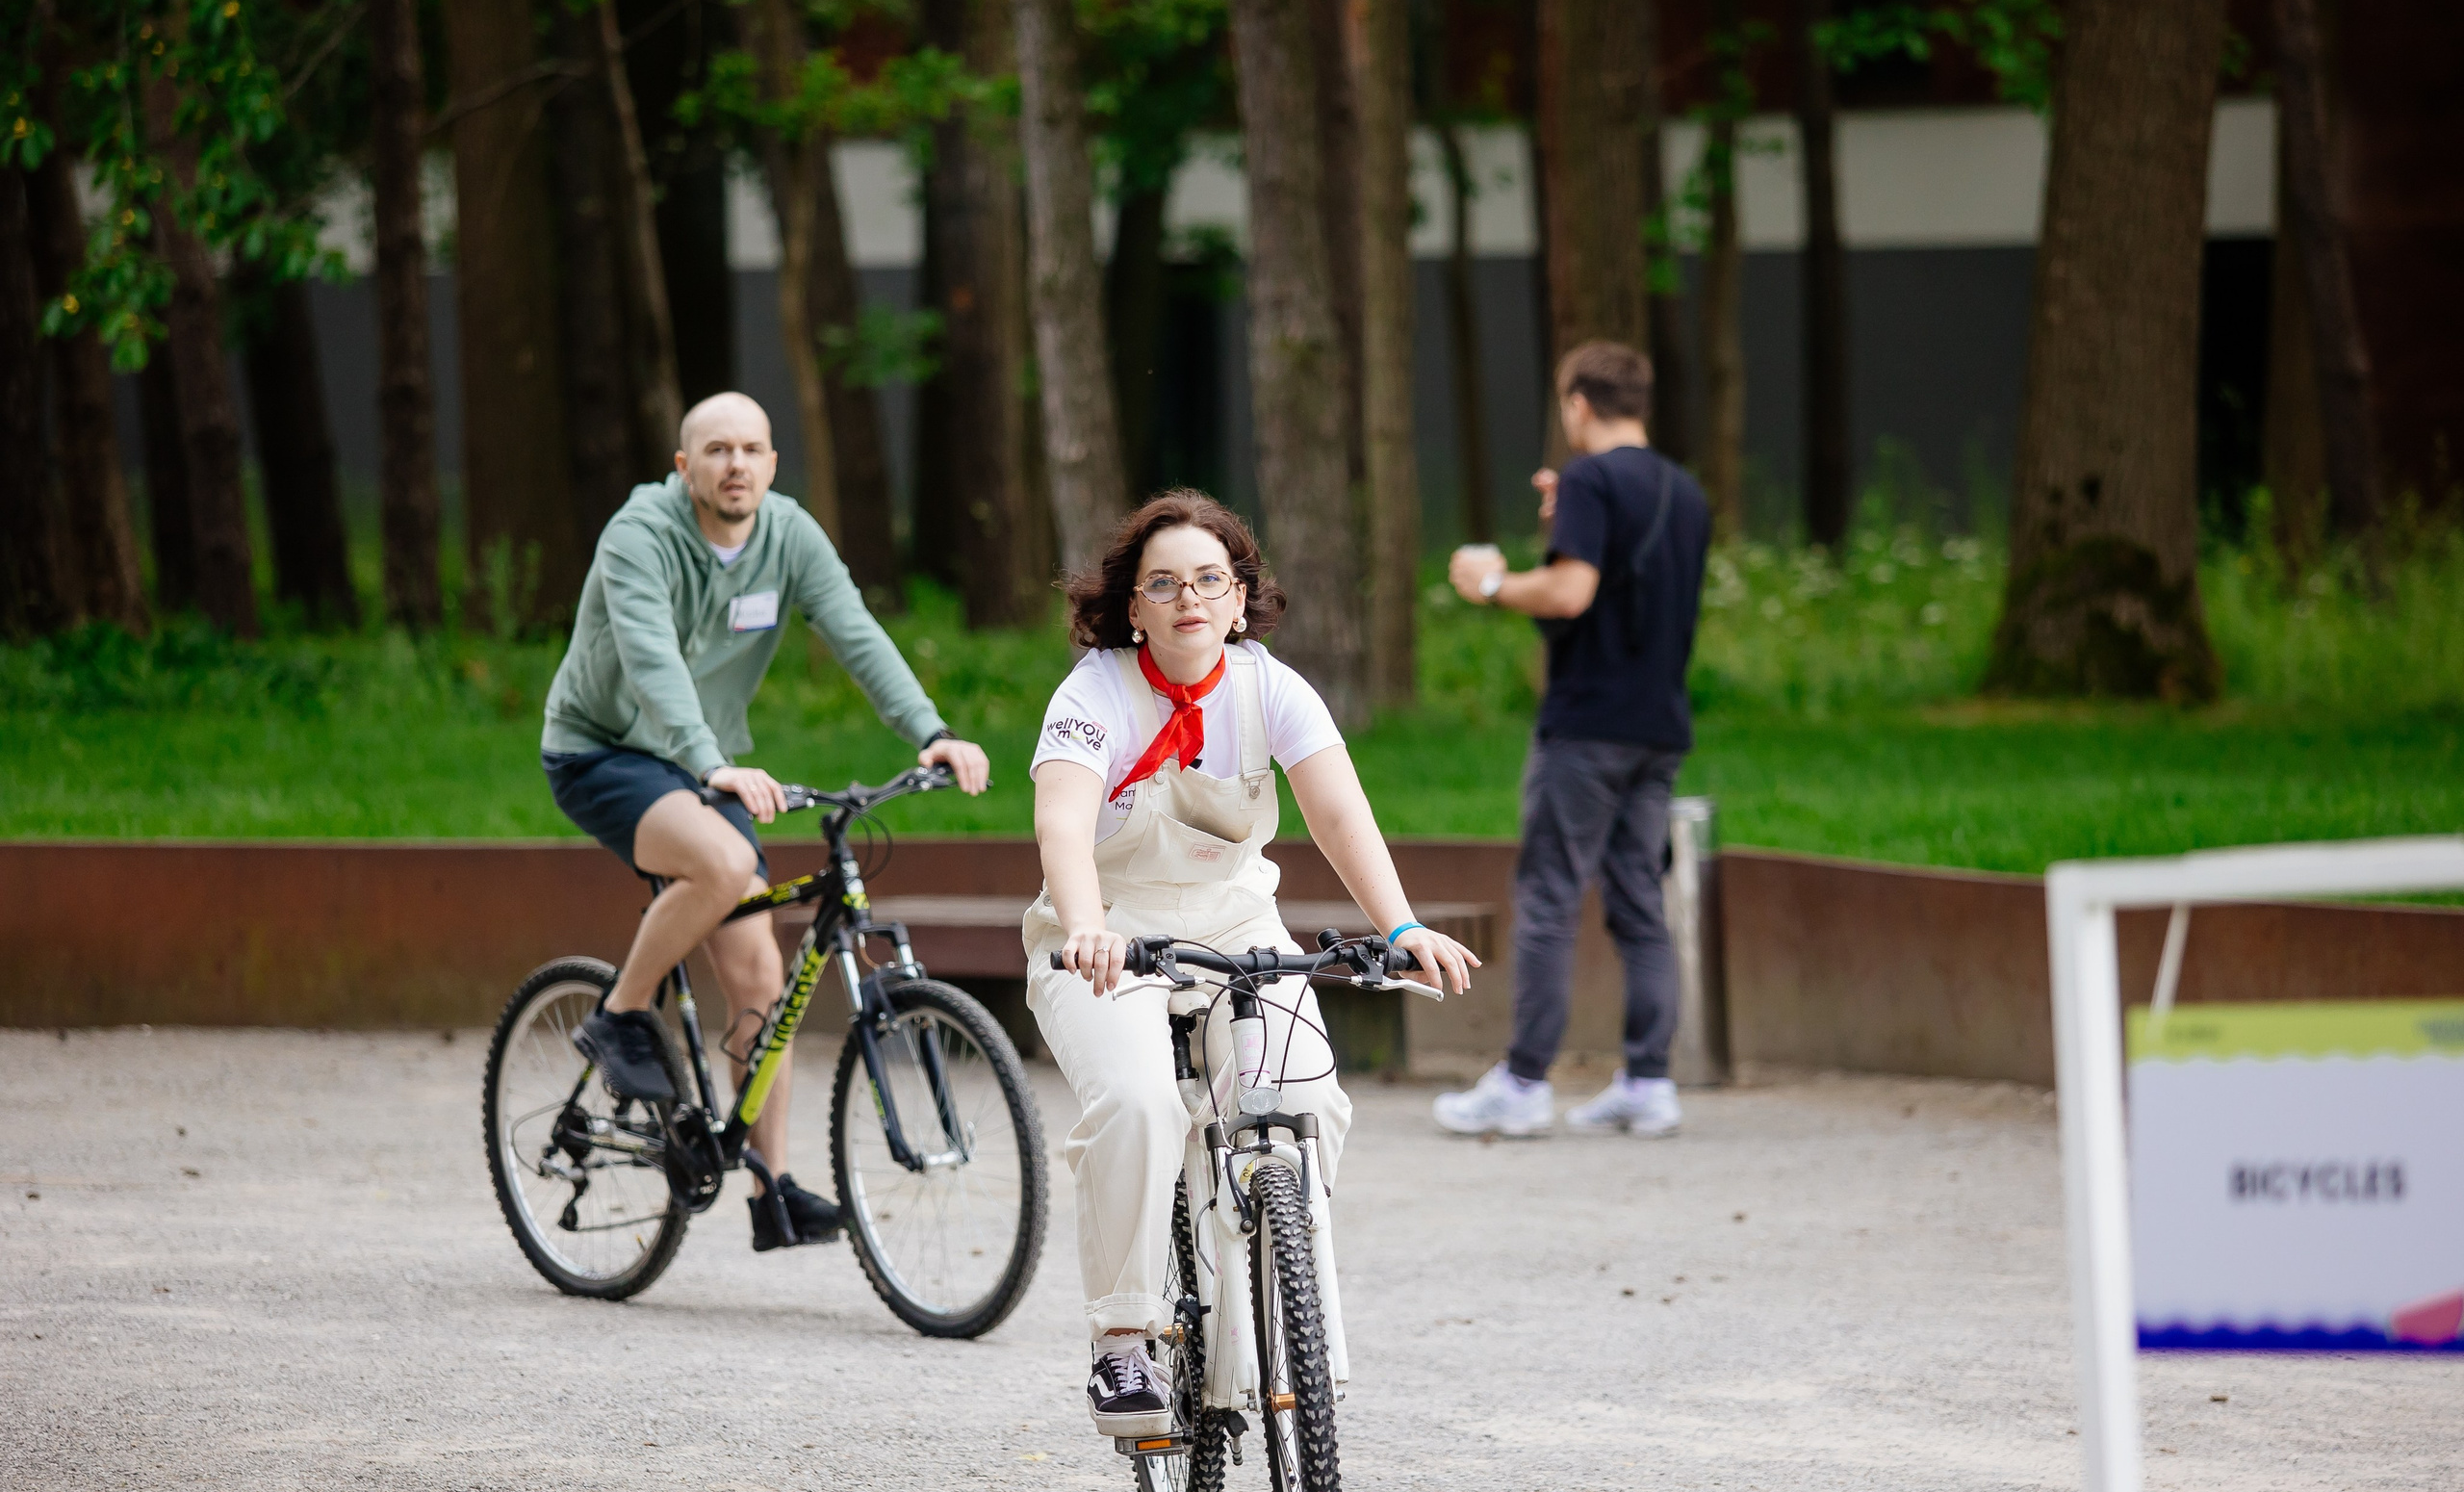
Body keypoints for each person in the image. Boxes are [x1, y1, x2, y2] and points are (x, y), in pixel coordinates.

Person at [1025, 490, 1480, 1437]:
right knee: (1142, 1102)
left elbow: (1337, 814)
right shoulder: (1094, 692)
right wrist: (1083, 926)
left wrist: (1399, 928)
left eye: (1208, 580)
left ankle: (1281, 1309)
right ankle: (1122, 1338)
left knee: (1305, 1101)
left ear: (1240, 600)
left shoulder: (1269, 686)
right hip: (1109, 931)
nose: (1188, 598)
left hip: (1239, 926)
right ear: (1132, 606)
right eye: (1163, 584)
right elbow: (1061, 821)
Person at [541, 392, 990, 1248]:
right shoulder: (640, 535)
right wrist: (710, 761)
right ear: (685, 467)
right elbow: (650, 657)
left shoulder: (789, 534)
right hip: (604, 750)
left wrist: (933, 732)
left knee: (759, 981)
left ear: (773, 464)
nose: (735, 464)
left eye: (751, 449)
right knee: (716, 864)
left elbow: (858, 635)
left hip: (710, 763)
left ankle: (771, 1187)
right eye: (716, 450)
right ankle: (620, 1014)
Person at [1432, 341, 1710, 1139]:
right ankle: (1649, 1082)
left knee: (1549, 897)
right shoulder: (1684, 493)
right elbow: (1635, 580)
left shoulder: (1590, 477)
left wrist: (1488, 583)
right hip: (1659, 727)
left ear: (1578, 403)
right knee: (1638, 903)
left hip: (1587, 725)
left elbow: (1572, 591)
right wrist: (1574, 517)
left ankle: (1523, 1083)